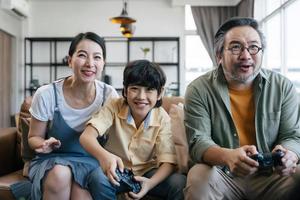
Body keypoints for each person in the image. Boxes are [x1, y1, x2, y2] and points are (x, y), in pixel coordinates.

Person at [184, 17, 300, 200]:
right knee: (198, 177)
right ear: (219, 55)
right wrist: (227, 156)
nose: (246, 55)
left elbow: (292, 135)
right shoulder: (198, 89)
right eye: (236, 47)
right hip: (223, 174)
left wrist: (289, 154)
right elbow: (198, 141)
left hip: (273, 176)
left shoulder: (283, 87)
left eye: (253, 47)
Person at [27, 32, 119, 199]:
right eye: (82, 55)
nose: (90, 63)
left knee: (80, 193)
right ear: (70, 60)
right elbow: (33, 137)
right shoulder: (47, 94)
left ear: (103, 63)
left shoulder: (109, 95)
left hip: (91, 162)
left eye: (97, 57)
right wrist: (44, 144)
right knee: (60, 174)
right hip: (53, 161)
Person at [80, 59, 186, 200]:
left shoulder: (162, 118)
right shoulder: (113, 106)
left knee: (179, 183)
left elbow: (169, 162)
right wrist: (104, 156)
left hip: (148, 172)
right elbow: (86, 137)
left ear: (159, 93)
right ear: (125, 90)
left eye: (149, 90)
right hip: (117, 171)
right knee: (98, 177)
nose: (141, 97)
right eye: (135, 88)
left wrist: (150, 184)